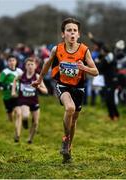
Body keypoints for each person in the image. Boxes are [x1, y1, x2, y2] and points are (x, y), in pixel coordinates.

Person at [32, 17, 99, 163]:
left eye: (75, 30)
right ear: (63, 34)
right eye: (69, 30)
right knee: (69, 108)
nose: (72, 33)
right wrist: (39, 80)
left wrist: (84, 68)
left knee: (74, 120)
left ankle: (69, 148)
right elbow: (46, 65)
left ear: (79, 34)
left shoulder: (84, 50)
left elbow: (95, 72)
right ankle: (65, 139)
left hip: (78, 87)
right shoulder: (57, 49)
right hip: (62, 84)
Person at [12, 57, 48, 144]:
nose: (30, 66)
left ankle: (30, 139)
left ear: (35, 66)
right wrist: (13, 91)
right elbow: (15, 80)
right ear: (25, 66)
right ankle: (24, 122)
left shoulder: (37, 76)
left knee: (35, 123)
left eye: (32, 64)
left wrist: (38, 86)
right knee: (25, 115)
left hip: (34, 101)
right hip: (23, 100)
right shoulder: (22, 75)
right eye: (28, 64)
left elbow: (46, 91)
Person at [0, 55, 23, 142]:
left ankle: (17, 135)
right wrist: (8, 86)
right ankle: (9, 113)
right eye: (10, 61)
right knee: (10, 117)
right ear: (7, 62)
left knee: (19, 113)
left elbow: (24, 80)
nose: (12, 62)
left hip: (17, 96)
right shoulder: (5, 72)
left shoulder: (20, 71)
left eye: (13, 60)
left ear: (16, 62)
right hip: (7, 97)